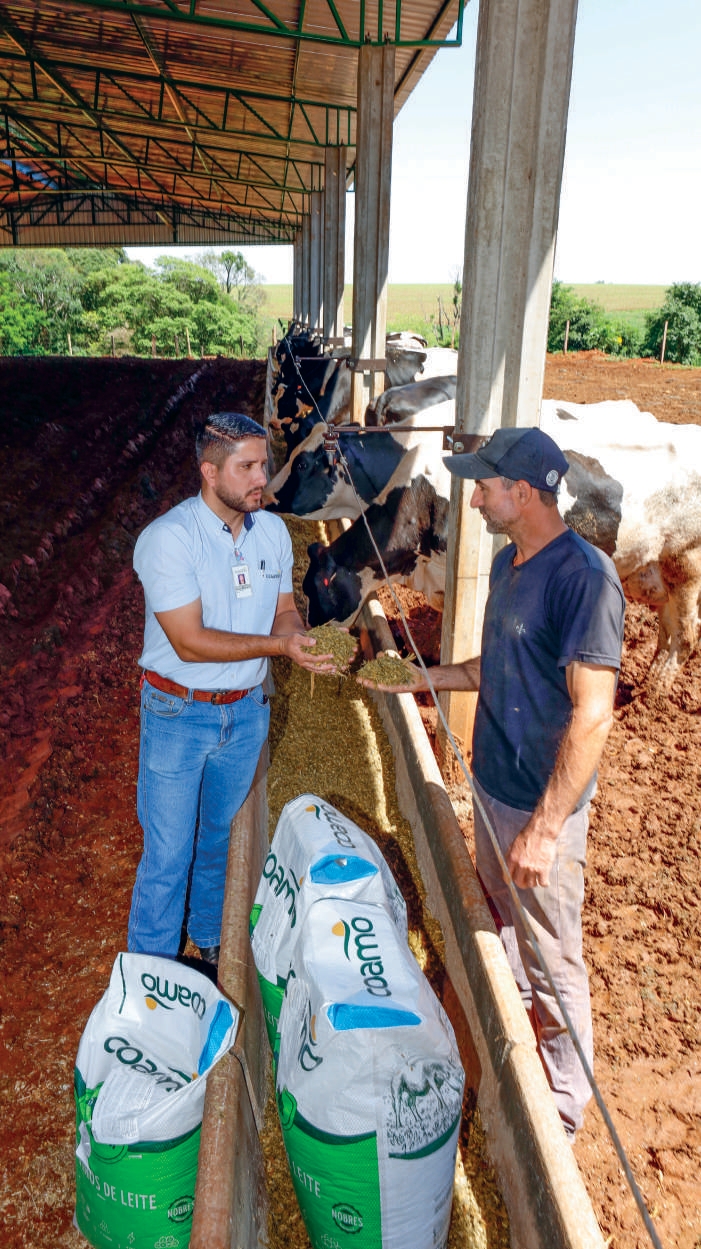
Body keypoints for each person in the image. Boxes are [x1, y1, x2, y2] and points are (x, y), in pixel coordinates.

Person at [361, 426, 625, 1138]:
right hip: (494, 786)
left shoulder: (583, 577)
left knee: (552, 956)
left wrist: (544, 828)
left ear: (523, 491)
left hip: (542, 808)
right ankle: (511, 1057)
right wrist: (417, 678)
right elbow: (491, 668)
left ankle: (562, 1116)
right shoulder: (513, 564)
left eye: (483, 484)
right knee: (504, 932)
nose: (472, 496)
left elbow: (593, 714)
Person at [129, 411, 338, 969]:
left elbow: (285, 613)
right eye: (246, 467)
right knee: (168, 851)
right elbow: (190, 643)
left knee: (219, 837)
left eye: (263, 465)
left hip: (245, 712)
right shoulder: (168, 539)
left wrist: (302, 641)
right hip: (179, 712)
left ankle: (207, 935)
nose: (261, 479)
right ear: (208, 471)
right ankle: (151, 973)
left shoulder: (271, 532)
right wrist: (278, 651)